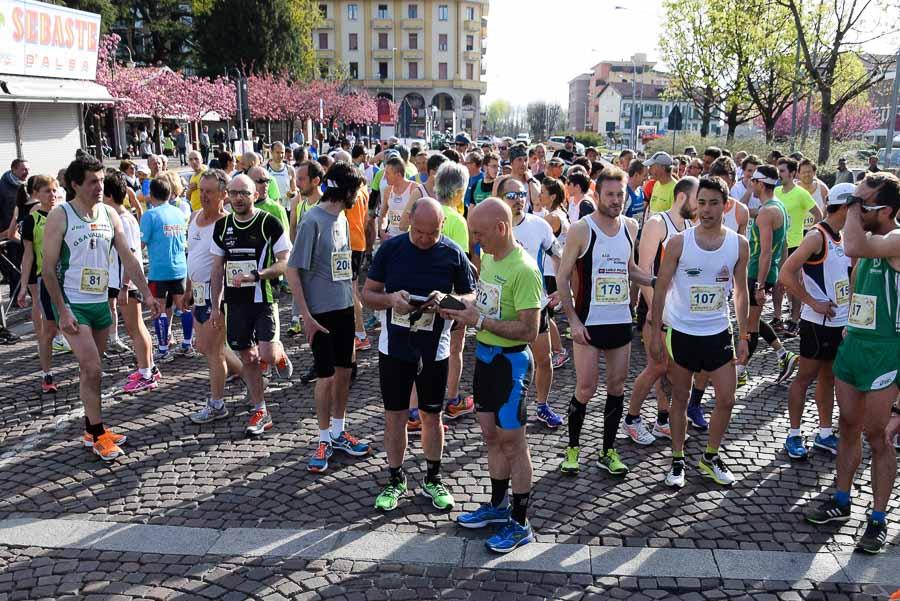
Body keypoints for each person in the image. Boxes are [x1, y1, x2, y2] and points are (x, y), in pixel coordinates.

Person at [805, 172, 900, 554]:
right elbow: (858, 273)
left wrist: (853, 212)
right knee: (847, 426)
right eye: (853, 201)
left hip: (884, 352)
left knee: (878, 436)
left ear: (887, 210)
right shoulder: (868, 243)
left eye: (864, 203)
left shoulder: (894, 239)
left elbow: (856, 244)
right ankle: (841, 499)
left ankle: (878, 518)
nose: (854, 209)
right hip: (856, 344)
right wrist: (850, 326)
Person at [41, 154, 160, 461]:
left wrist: (146, 293)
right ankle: (97, 434)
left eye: (102, 181)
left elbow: (129, 257)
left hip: (100, 305)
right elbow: (49, 269)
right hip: (73, 305)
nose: (99, 187)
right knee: (93, 367)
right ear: (75, 184)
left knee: (90, 370)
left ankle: (91, 428)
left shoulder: (109, 214)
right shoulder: (61, 215)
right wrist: (62, 310)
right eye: (92, 181)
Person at [363, 197, 475, 511]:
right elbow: (367, 294)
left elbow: (469, 298)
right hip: (394, 348)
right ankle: (396, 478)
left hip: (434, 349)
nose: (425, 239)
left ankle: (433, 478)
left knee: (432, 415)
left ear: (443, 226)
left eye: (432, 233)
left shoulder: (451, 252)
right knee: (395, 417)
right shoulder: (392, 248)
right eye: (419, 232)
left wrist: (448, 299)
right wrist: (390, 300)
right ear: (410, 220)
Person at [443, 198, 542, 553]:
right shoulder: (489, 258)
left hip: (511, 364)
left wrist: (479, 321)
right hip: (484, 359)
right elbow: (485, 303)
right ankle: (498, 507)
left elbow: (531, 330)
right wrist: (456, 304)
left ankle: (521, 522)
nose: (474, 239)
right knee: (489, 436)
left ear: (501, 228)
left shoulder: (525, 269)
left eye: (479, 232)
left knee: (514, 442)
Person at [650, 176, 751, 488]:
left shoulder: (739, 244)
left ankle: (710, 456)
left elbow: (741, 292)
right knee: (679, 399)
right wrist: (655, 332)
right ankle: (677, 461)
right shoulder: (679, 242)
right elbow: (661, 287)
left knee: (727, 399)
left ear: (726, 205)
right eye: (702, 203)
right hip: (681, 331)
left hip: (718, 332)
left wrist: (744, 335)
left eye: (713, 203)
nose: (706, 210)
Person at [555, 167, 654, 476]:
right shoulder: (582, 229)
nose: (615, 200)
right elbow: (562, 277)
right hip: (588, 322)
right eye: (609, 195)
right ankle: (572, 449)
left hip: (620, 320)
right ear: (597, 195)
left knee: (616, 386)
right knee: (586, 387)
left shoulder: (630, 226)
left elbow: (630, 268)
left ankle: (608, 451)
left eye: (619, 195)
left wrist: (655, 279)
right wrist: (572, 320)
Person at [286, 162, 371, 472]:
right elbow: (293, 269)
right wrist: (304, 316)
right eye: (356, 191)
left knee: (346, 371)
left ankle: (338, 430)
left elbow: (344, 266)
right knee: (326, 376)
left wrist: (354, 305)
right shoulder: (312, 221)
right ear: (345, 190)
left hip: (344, 308)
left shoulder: (343, 218)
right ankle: (323, 438)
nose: (359, 197)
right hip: (320, 313)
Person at [210, 174, 293, 436]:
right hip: (235, 304)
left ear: (254, 195)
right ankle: (260, 409)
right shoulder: (222, 227)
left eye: (244, 193)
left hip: (263, 298)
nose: (238, 198)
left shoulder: (269, 222)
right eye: (233, 193)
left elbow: (285, 262)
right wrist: (215, 305)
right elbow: (216, 269)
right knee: (247, 357)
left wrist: (257, 275)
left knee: (266, 354)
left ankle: (277, 355)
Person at [778, 183, 853, 459]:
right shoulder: (816, 236)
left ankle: (823, 433)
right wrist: (813, 303)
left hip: (837, 323)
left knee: (828, 377)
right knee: (804, 378)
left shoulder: (844, 236)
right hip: (816, 323)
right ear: (845, 207)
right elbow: (786, 273)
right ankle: (794, 434)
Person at [624, 177, 699, 445]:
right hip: (656, 310)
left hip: (679, 313)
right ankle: (631, 419)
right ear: (682, 197)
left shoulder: (690, 225)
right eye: (697, 198)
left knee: (671, 370)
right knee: (656, 367)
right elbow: (644, 271)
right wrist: (657, 311)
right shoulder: (657, 223)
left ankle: (663, 419)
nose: (700, 204)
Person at [498, 175, 565, 429]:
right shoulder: (495, 225)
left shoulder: (539, 225)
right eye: (512, 196)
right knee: (507, 361)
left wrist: (559, 288)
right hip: (504, 308)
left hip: (535, 306)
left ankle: (542, 405)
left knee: (544, 359)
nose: (518, 200)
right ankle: (507, 405)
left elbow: (559, 255)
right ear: (500, 199)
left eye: (522, 195)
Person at [186, 169, 245, 424]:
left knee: (213, 350)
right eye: (201, 190)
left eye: (210, 192)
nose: (204, 196)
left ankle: (217, 404)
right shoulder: (194, 216)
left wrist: (219, 302)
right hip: (197, 290)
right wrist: (188, 289)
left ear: (224, 195)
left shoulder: (227, 224)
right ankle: (242, 371)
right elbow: (191, 255)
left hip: (216, 293)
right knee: (203, 346)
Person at [744, 165, 798, 385]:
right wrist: (781, 272)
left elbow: (766, 251)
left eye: (753, 181)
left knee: (751, 324)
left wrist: (759, 285)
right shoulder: (780, 207)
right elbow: (783, 244)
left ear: (760, 183)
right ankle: (783, 354)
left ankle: (741, 368)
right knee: (751, 320)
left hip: (758, 271)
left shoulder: (767, 212)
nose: (750, 185)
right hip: (767, 272)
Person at [431, 162, 476, 420]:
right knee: (454, 348)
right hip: (450, 295)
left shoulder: (427, 210)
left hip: (425, 294)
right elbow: (462, 265)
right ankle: (452, 399)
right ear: (460, 190)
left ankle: (417, 408)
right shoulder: (458, 221)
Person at [16, 175, 60, 391]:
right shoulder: (32, 221)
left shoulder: (66, 214)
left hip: (69, 279)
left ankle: (87, 368)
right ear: (36, 194)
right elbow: (28, 256)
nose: (52, 195)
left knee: (79, 325)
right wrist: (24, 286)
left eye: (54, 190)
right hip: (46, 280)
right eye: (46, 191)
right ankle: (47, 375)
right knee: (49, 330)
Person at [140, 177, 192, 363]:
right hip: (179, 267)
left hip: (159, 270)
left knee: (159, 310)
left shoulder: (150, 215)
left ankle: (163, 349)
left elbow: (141, 243)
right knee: (184, 308)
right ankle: (187, 344)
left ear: (151, 194)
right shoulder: (178, 212)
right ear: (170, 194)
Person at [773, 157, 822, 336]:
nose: (780, 174)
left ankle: (794, 320)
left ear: (793, 173)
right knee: (777, 282)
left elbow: (818, 215)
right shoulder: (776, 191)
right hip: (777, 243)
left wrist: (808, 235)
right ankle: (777, 317)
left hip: (795, 245)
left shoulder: (801, 193)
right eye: (779, 170)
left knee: (793, 284)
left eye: (783, 171)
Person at [379, 157, 422, 240]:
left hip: (410, 239)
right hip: (392, 237)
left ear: (398, 175)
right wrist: (382, 231)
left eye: (387, 173)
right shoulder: (388, 190)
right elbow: (383, 215)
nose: (385, 177)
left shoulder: (414, 188)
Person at [267, 141, 298, 218]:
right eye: (277, 152)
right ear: (271, 152)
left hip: (286, 209)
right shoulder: (265, 169)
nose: (280, 155)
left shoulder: (290, 169)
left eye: (282, 153)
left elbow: (294, 190)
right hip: (270, 209)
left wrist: (292, 194)